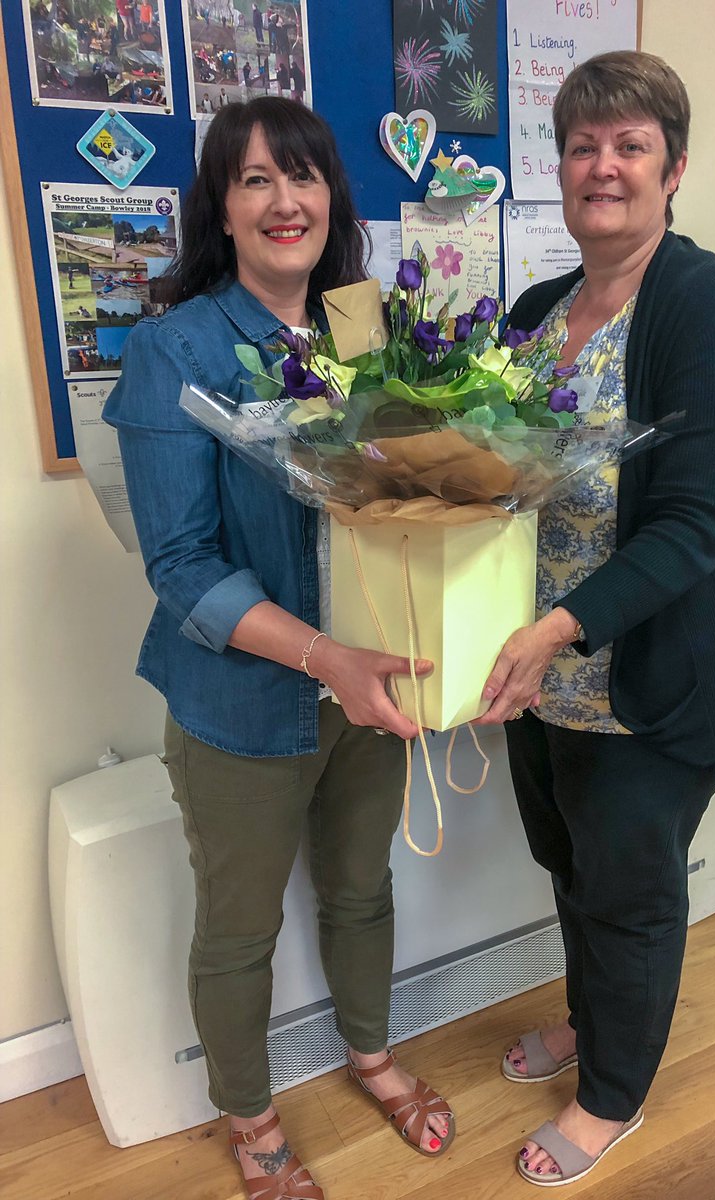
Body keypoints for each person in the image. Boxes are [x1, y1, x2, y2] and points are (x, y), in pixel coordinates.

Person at [103, 97, 454, 1200]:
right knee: (240, 927)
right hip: (242, 703)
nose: (283, 200)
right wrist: (324, 661)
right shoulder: (178, 347)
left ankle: (371, 1054)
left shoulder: (365, 333)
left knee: (361, 888)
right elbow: (183, 567)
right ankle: (250, 1118)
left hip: (372, 687)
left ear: (330, 196)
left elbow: (411, 506)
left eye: (300, 176)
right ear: (222, 204)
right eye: (254, 180)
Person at [476, 51, 715, 1188]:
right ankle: (588, 1017)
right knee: (571, 866)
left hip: (658, 667)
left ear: (674, 170)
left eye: (630, 145)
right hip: (539, 671)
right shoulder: (532, 312)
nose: (602, 166)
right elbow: (486, 480)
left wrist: (559, 629)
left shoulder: (708, 307)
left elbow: (698, 524)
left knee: (633, 888)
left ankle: (611, 1095)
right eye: (582, 146)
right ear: (560, 168)